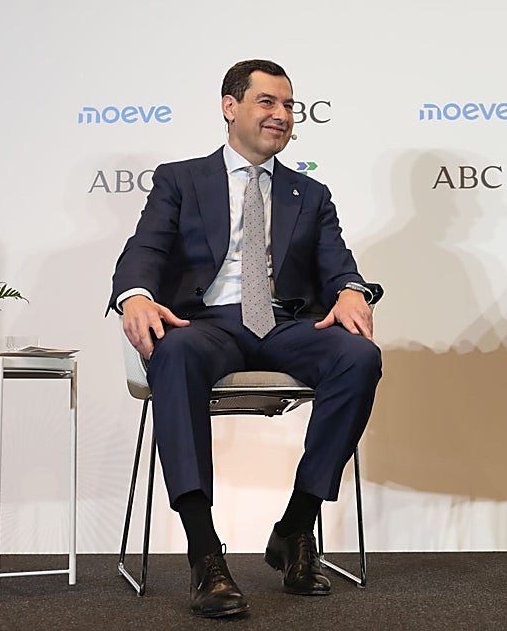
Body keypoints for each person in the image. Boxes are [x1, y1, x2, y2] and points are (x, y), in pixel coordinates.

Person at [109, 59, 382, 619]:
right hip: (206, 324)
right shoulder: (181, 179)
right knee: (174, 350)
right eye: (267, 102)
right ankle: (204, 551)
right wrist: (134, 294)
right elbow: (146, 248)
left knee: (359, 356)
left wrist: (354, 291)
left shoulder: (311, 193)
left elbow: (338, 265)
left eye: (288, 105)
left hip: (285, 324)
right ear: (230, 106)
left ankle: (297, 527)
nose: (281, 115)